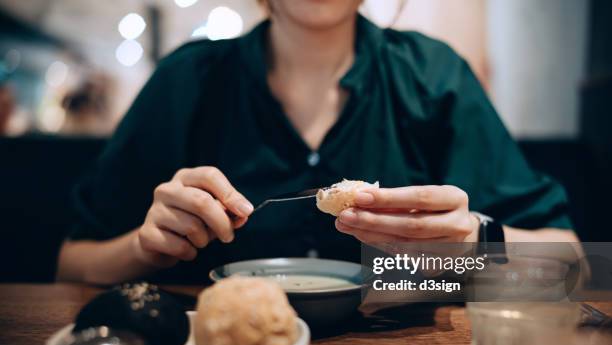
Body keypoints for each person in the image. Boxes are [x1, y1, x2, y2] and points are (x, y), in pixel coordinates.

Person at [57, 0, 578, 285]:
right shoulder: (186, 81)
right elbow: (72, 263)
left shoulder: (435, 77)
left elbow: (572, 259)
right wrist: (147, 248)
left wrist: (475, 245)